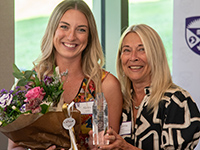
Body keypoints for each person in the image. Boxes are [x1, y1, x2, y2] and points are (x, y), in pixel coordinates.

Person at [7, 0, 123, 150]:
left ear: (89, 37)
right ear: (52, 30)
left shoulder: (106, 85)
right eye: (64, 27)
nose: (71, 36)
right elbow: (14, 147)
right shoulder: (30, 82)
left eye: (81, 30)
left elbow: (113, 146)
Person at [98, 24, 200, 150]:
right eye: (127, 50)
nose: (133, 57)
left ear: (156, 55)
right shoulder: (121, 101)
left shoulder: (177, 101)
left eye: (142, 49)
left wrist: (127, 148)